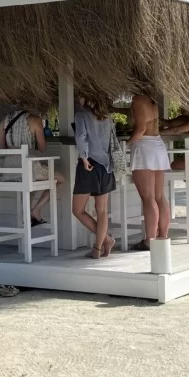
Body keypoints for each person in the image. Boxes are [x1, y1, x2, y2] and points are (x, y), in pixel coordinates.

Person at [0, 106, 64, 226]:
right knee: (60, 178)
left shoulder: (4, 120)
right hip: (28, 169)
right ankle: (36, 209)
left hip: (9, 171)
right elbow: (42, 148)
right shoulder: (35, 120)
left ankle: (27, 213)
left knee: (32, 180)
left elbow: (1, 147)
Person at [72, 96, 118, 258]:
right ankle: (99, 247)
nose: (78, 99)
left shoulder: (81, 115)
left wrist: (84, 158)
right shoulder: (107, 117)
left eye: (81, 96)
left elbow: (81, 137)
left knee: (78, 210)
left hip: (90, 164)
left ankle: (106, 241)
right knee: (102, 210)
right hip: (106, 165)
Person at [129, 92, 171, 249]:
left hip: (145, 147)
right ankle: (162, 236)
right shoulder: (151, 100)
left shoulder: (138, 100)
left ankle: (149, 240)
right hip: (157, 144)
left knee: (148, 198)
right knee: (159, 196)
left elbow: (140, 129)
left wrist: (126, 144)